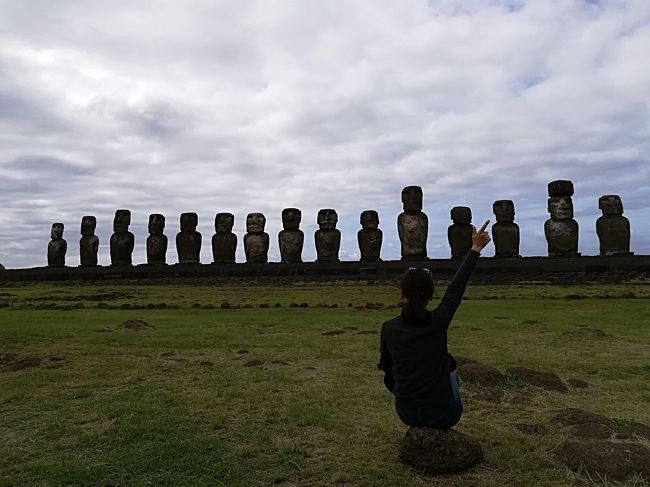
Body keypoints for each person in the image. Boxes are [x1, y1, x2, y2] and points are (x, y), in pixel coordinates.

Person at [378, 220, 491, 429]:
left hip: (406, 412)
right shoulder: (438, 322)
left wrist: (403, 389)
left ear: (402, 294)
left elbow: (386, 369)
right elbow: (456, 288)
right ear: (430, 295)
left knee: (447, 366)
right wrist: (475, 249)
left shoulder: (389, 328)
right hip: (444, 414)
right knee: (451, 373)